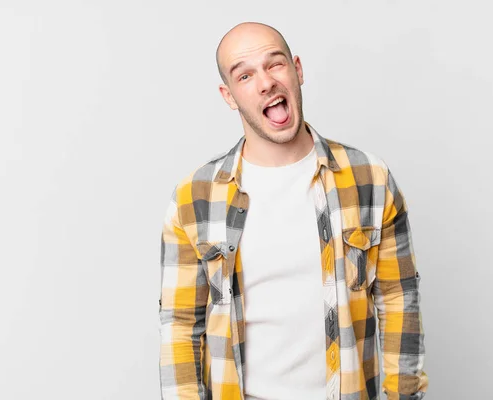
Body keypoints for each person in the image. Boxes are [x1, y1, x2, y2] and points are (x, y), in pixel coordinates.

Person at [159, 21, 429, 400]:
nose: (266, 82)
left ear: (297, 70)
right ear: (229, 95)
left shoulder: (370, 178)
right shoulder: (194, 197)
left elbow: (399, 301)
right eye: (245, 75)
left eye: (275, 64)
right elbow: (181, 324)